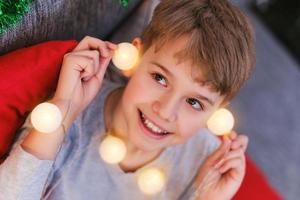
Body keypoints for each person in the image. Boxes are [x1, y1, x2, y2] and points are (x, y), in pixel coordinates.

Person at [0, 0, 255, 199]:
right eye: (160, 78)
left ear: (218, 113)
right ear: (134, 57)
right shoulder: (63, 118)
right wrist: (64, 111)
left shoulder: (205, 163)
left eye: (195, 103)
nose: (165, 111)